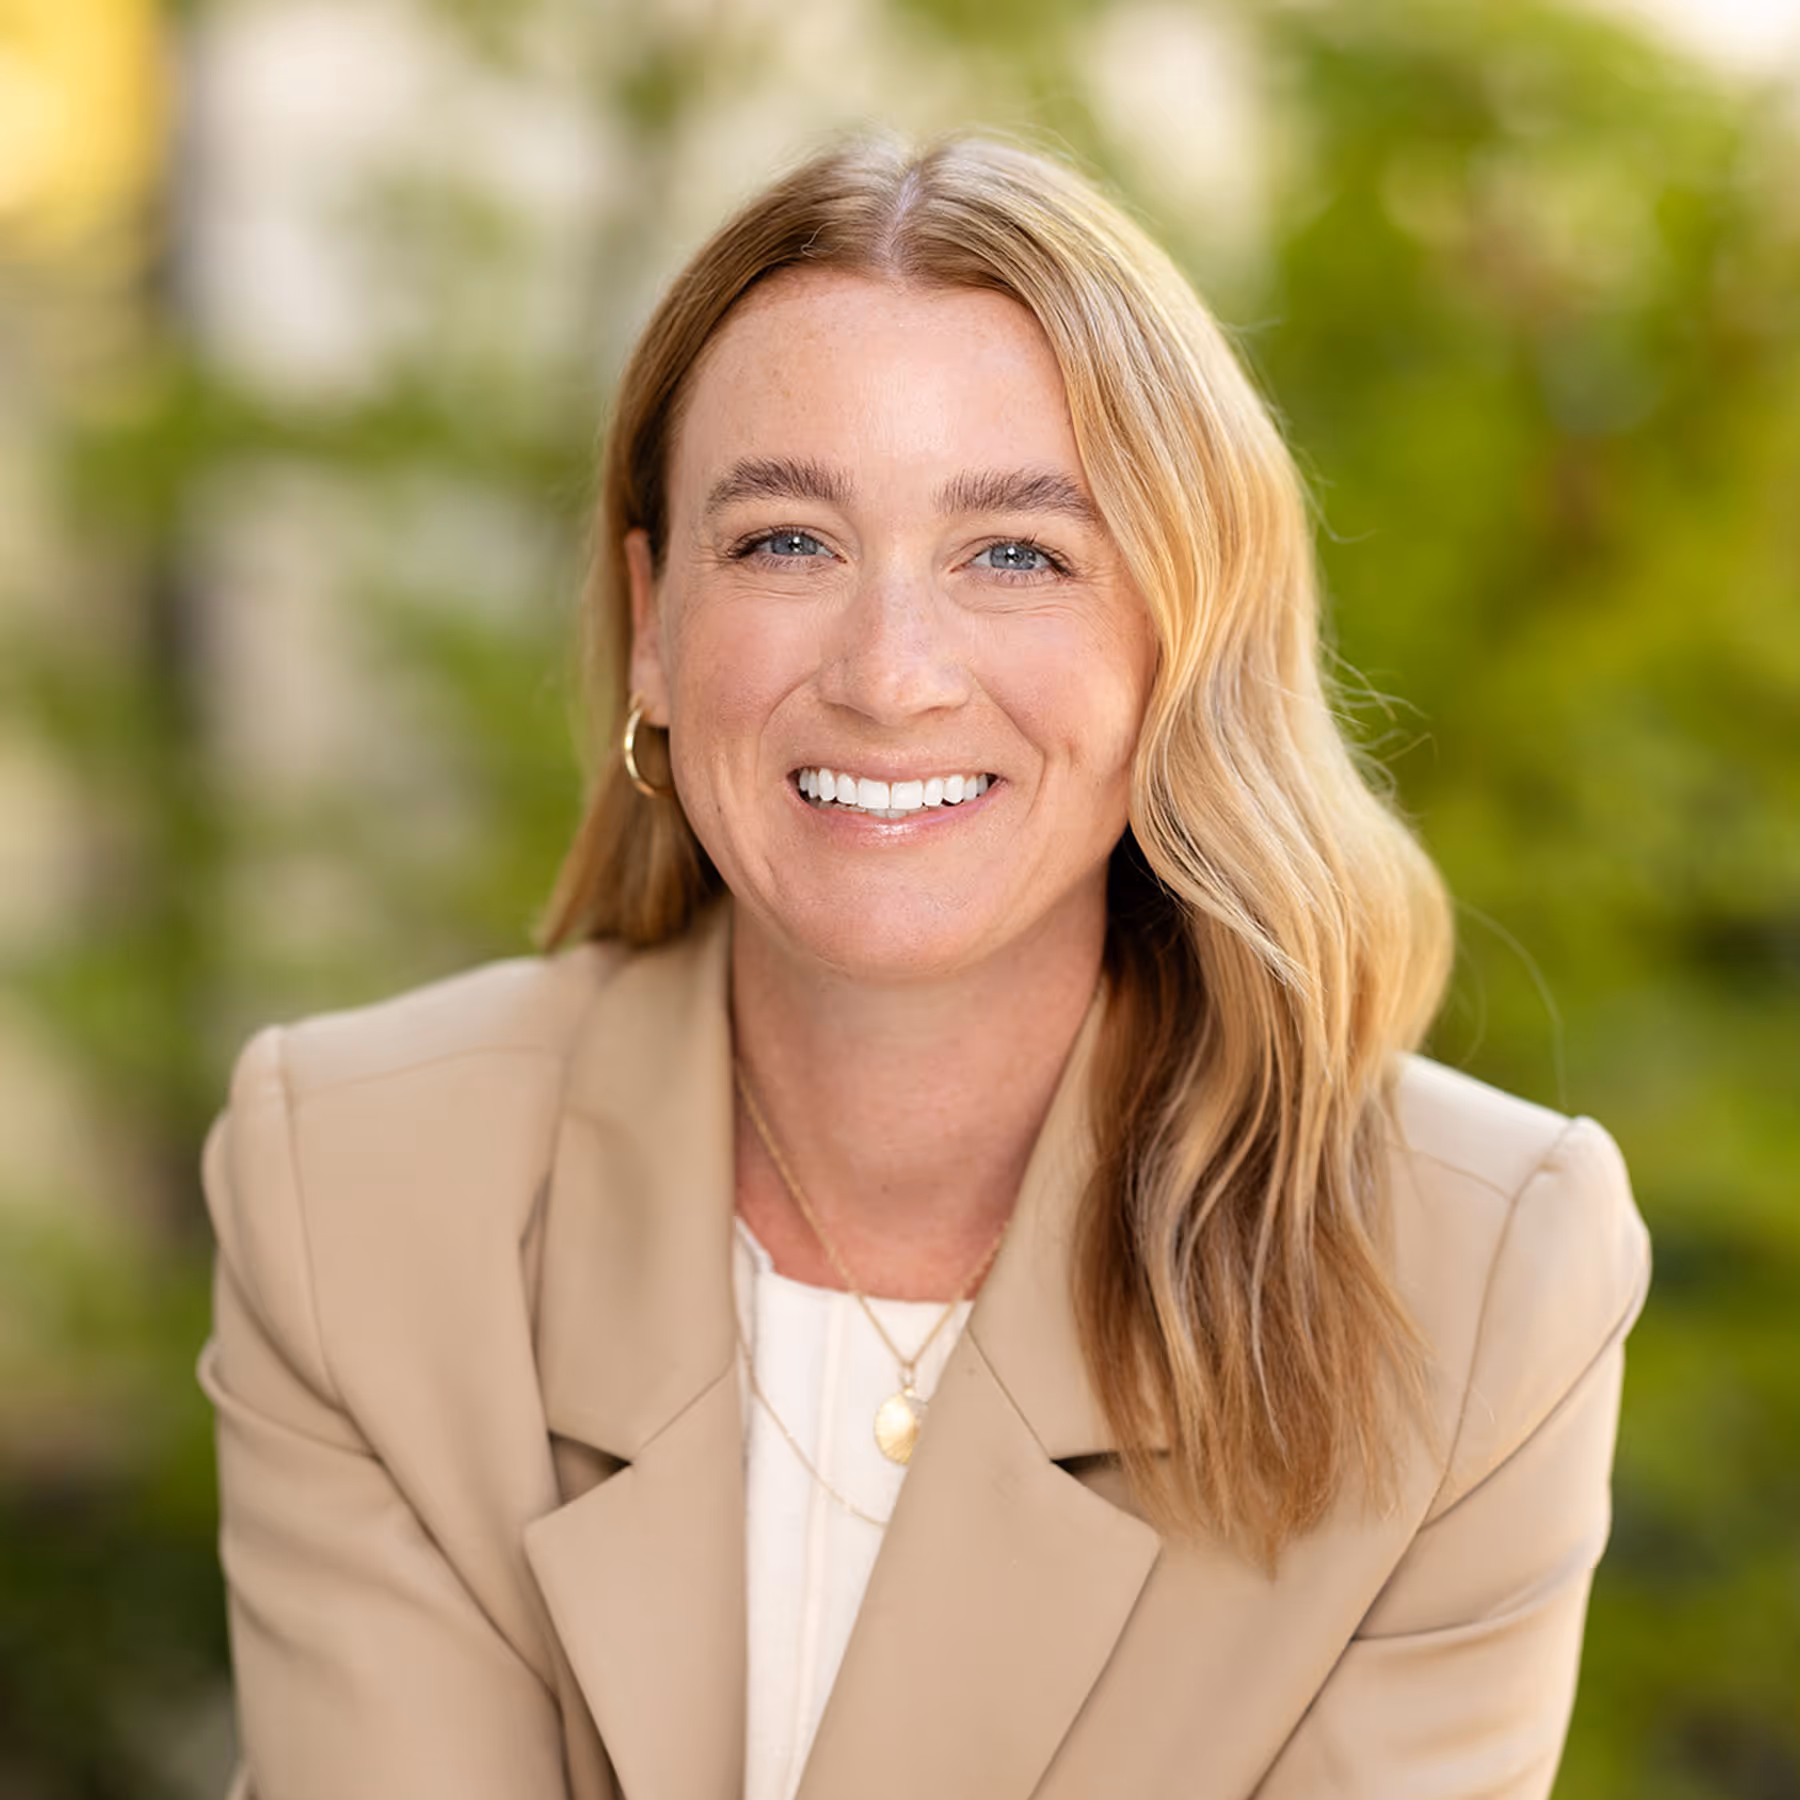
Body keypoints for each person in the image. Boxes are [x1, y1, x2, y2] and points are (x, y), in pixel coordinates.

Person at [194, 127, 1652, 1800]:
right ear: (655, 621)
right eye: (785, 543)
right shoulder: (362, 1185)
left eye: (1018, 554)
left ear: (1182, 634)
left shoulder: (1473, 1276)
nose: (892, 678)